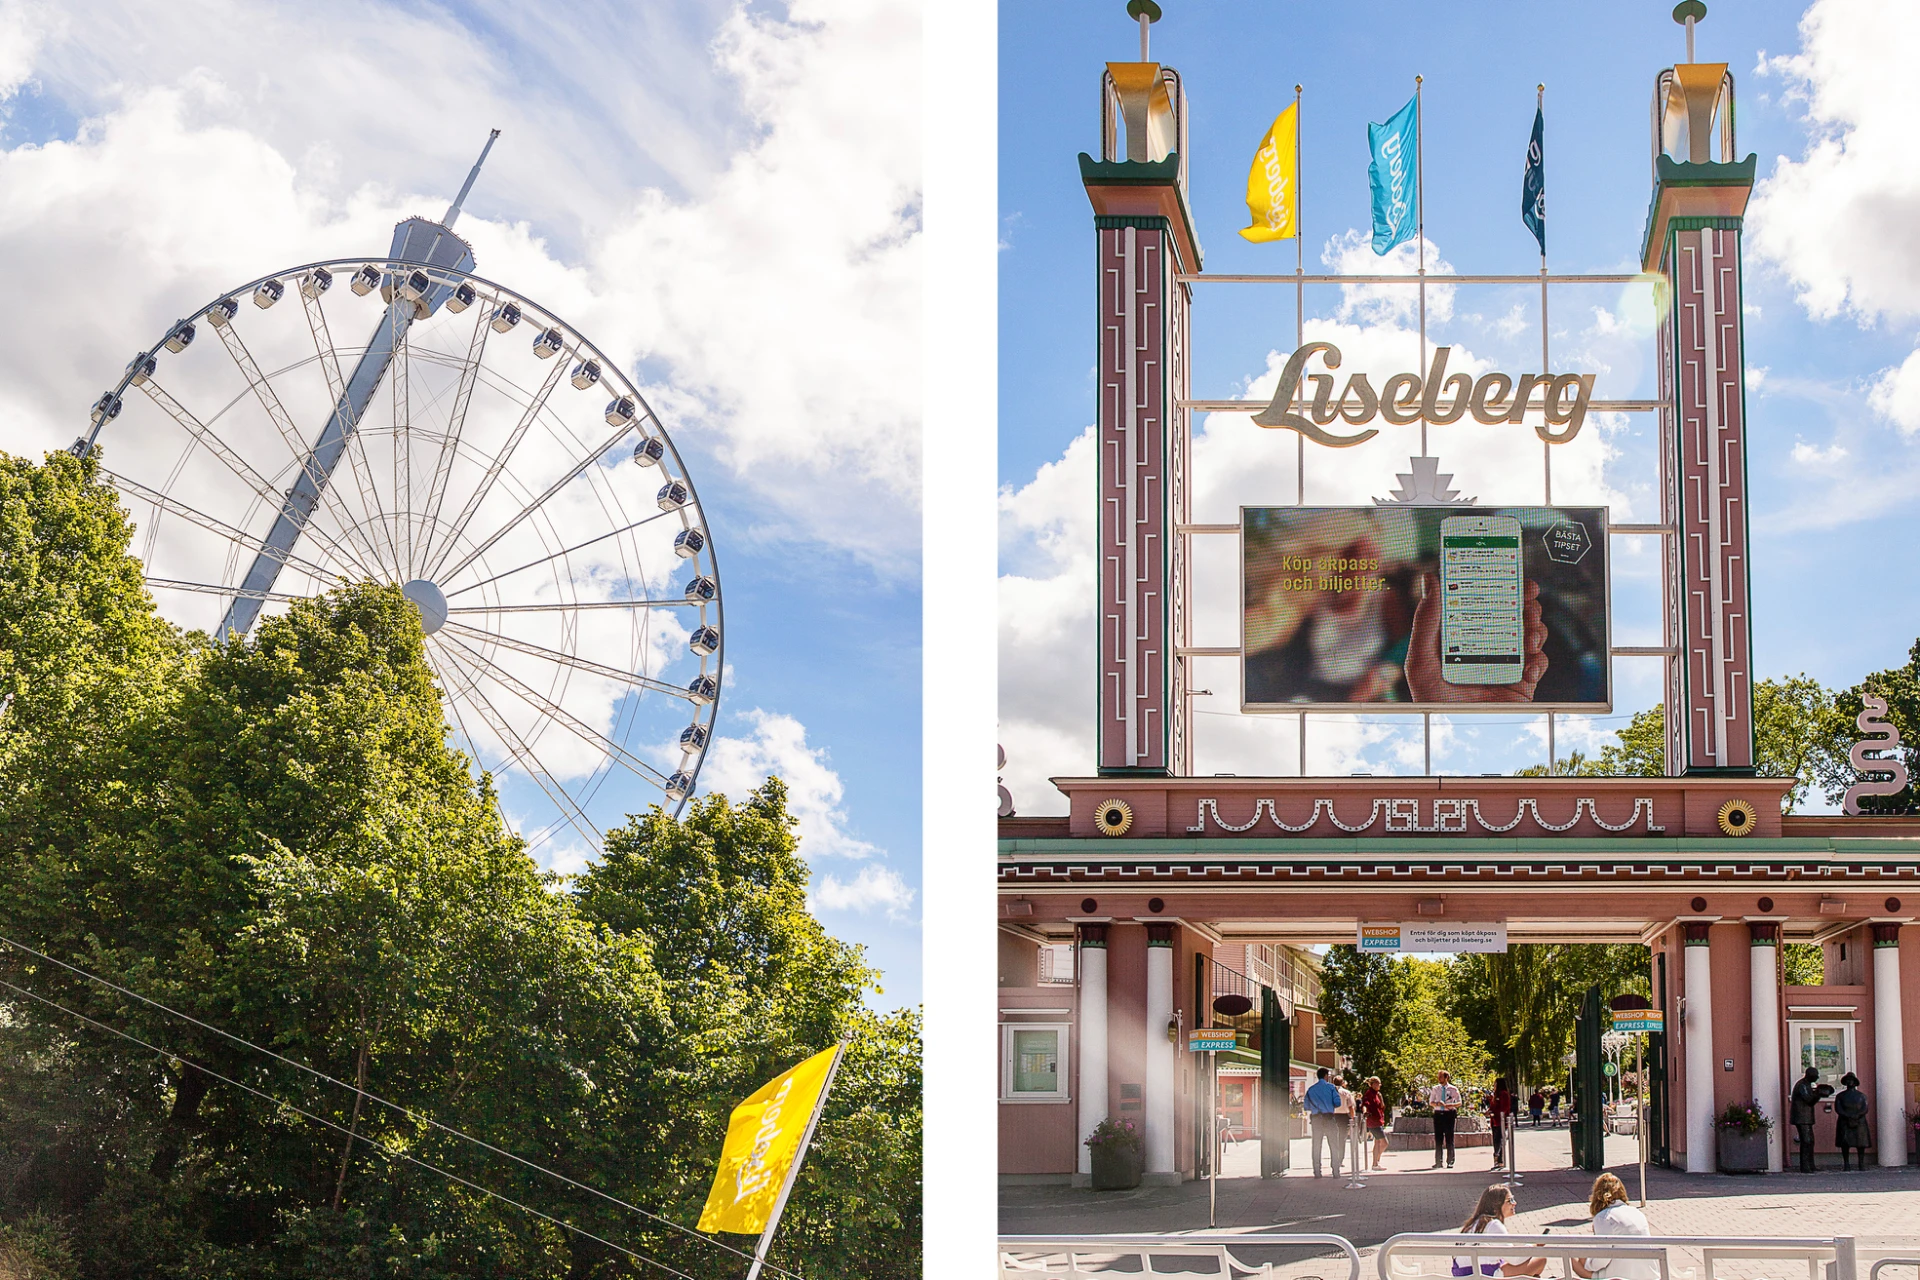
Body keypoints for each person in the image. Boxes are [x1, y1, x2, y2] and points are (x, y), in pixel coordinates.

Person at [1571, 1173, 1656, 1280]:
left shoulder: (1604, 1217)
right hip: (1647, 1274)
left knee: (1573, 1260)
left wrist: (1588, 1263)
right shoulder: (1636, 1212)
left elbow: (1602, 1259)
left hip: (1621, 1276)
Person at [1451, 1183, 1547, 1278]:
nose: (1515, 1203)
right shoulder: (1493, 1225)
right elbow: (1515, 1259)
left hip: (1465, 1275)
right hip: (1485, 1275)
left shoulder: (1472, 1224)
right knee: (1540, 1260)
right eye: (1510, 1200)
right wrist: (1535, 1245)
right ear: (1497, 1205)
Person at [1789, 1066, 1833, 1172]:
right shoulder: (1802, 1085)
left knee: (1810, 1141)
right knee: (1806, 1141)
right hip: (1801, 1117)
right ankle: (1805, 1166)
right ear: (1810, 1076)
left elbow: (1810, 1100)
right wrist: (1818, 1094)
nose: (1817, 1078)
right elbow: (1808, 1100)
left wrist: (1818, 1093)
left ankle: (1810, 1165)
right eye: (1815, 1076)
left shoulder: (1807, 1084)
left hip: (1806, 1117)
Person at [1304, 1066, 1344, 1178]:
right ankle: (1335, 1171)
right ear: (1326, 1076)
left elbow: (1306, 1106)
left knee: (1316, 1145)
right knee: (1334, 1145)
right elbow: (1338, 1103)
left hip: (1316, 1119)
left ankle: (1317, 1171)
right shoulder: (1331, 1088)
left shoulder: (1311, 1089)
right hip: (1329, 1118)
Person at [1834, 1072, 1871, 1170]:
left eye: (1851, 1080)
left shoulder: (1862, 1096)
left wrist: (1856, 1116)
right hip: (1844, 1121)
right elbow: (1838, 1109)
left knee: (1860, 1144)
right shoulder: (1840, 1096)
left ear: (1855, 1082)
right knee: (1845, 1143)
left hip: (1859, 1122)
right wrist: (1847, 1116)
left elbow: (1865, 1108)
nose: (1850, 1082)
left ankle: (1861, 1163)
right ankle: (1846, 1164)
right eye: (1848, 1080)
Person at [1429, 1071, 1463, 1168]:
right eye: (1438, 1077)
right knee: (1438, 1138)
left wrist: (1451, 1105)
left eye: (1441, 1077)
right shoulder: (1435, 1089)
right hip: (1438, 1113)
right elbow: (1431, 1102)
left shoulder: (1453, 1089)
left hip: (1449, 1114)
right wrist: (1437, 1104)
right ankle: (1438, 1161)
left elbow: (1459, 1102)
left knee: (1449, 1137)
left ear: (1446, 1077)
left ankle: (1450, 1160)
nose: (1439, 1078)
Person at [1362, 1076, 1389, 1171]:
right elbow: (1365, 1104)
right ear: (1372, 1084)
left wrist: (1381, 1098)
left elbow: (1382, 1106)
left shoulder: (1378, 1094)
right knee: (1384, 1143)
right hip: (1373, 1121)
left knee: (1377, 1142)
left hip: (1378, 1120)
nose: (1378, 1085)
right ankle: (1376, 1160)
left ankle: (1375, 1163)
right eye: (1377, 1084)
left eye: (1379, 1084)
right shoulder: (1369, 1093)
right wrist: (1365, 1112)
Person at [1490, 1079, 1516, 1169]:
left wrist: (1497, 1113)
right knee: (1496, 1140)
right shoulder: (1495, 1095)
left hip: (1500, 1120)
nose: (1494, 1086)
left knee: (1499, 1140)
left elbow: (1504, 1107)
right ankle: (1497, 1159)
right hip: (1494, 1121)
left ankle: (1500, 1159)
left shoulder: (1503, 1094)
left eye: (1495, 1084)